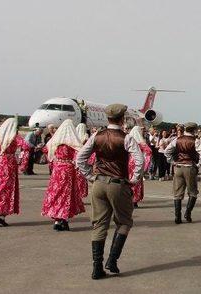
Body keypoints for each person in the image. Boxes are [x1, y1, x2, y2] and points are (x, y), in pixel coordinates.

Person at [75, 104, 144, 280]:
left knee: (99, 225)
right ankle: (112, 260)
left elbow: (80, 158)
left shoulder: (96, 136)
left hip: (98, 183)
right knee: (124, 222)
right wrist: (135, 179)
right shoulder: (126, 138)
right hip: (118, 184)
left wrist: (90, 175)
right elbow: (139, 160)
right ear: (122, 119)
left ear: (108, 118)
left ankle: (97, 267)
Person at [0, 118, 32, 227]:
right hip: (9, 165)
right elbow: (26, 147)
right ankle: (2, 217)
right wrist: (22, 161)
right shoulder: (14, 137)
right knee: (8, 190)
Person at [41, 119, 85, 231]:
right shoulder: (73, 143)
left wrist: (55, 158)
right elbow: (80, 155)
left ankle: (57, 220)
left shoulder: (55, 141)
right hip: (68, 170)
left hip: (57, 169)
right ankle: (64, 219)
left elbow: (45, 149)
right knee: (66, 195)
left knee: (56, 193)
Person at [164, 122, 201, 224]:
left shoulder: (177, 139)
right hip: (190, 167)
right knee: (193, 192)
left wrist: (172, 161)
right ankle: (187, 213)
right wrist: (199, 164)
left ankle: (177, 216)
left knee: (177, 193)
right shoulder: (195, 141)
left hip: (178, 167)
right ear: (194, 130)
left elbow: (166, 151)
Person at [128, 126, 152, 208]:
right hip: (138, 162)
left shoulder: (129, 141)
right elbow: (149, 151)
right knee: (137, 180)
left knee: (129, 179)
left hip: (130, 162)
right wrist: (146, 163)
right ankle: (134, 200)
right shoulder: (141, 143)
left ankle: (128, 198)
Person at [75, 123, 90, 199]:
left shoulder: (75, 136)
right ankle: (81, 193)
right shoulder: (86, 136)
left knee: (76, 177)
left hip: (75, 156)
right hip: (83, 156)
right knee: (82, 176)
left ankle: (76, 193)